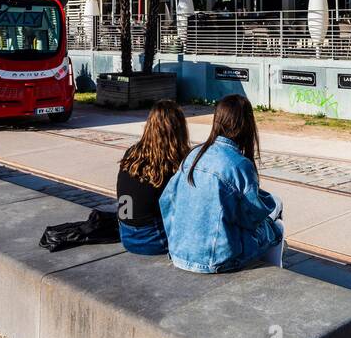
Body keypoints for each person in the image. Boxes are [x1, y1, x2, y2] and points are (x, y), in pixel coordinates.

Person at [160, 94, 283, 273]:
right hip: (215, 260)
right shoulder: (240, 164)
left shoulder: (193, 155)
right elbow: (252, 217)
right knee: (275, 223)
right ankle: (277, 269)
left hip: (178, 253)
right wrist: (271, 204)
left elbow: (166, 201)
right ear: (246, 126)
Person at [115, 99, 188, 255]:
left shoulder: (132, 152)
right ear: (178, 129)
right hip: (153, 239)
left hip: (125, 234)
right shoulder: (171, 162)